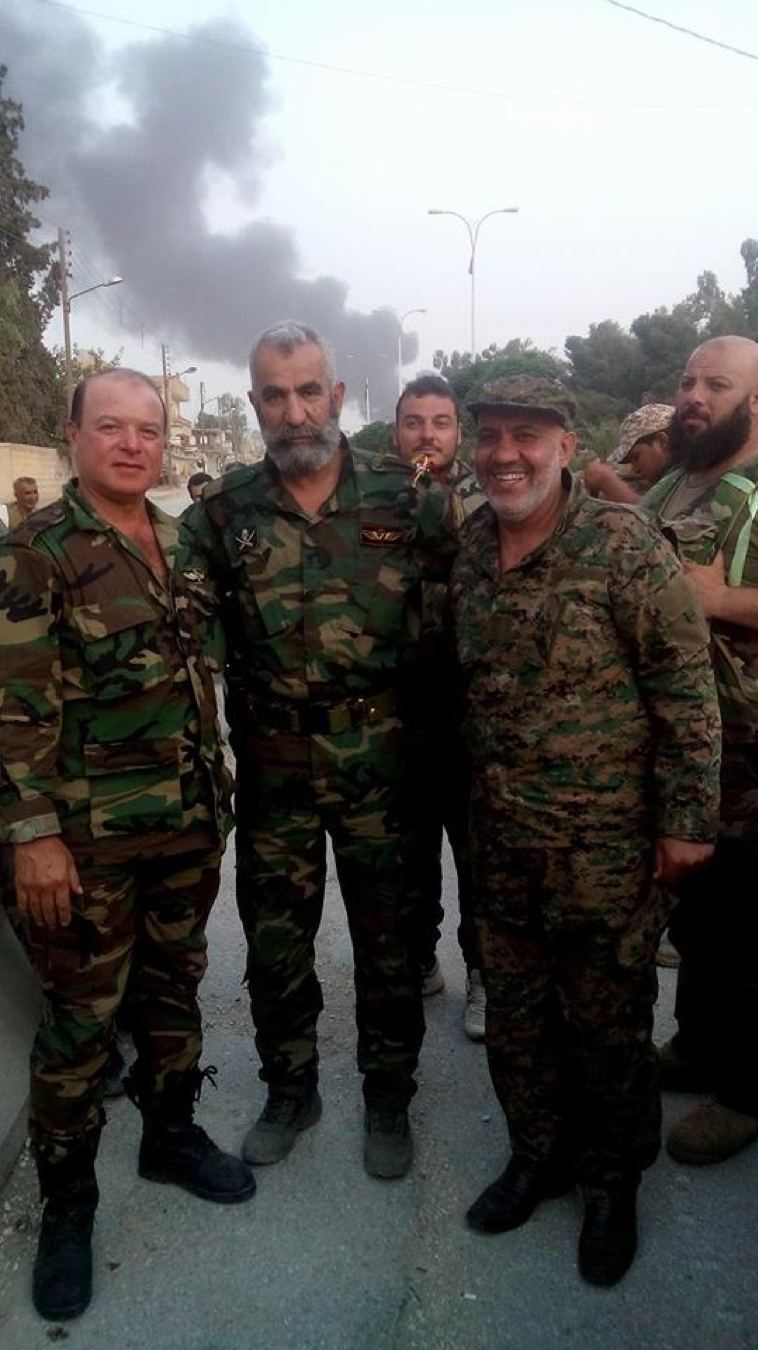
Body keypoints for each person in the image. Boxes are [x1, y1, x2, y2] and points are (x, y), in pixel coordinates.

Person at [450, 374, 720, 1286]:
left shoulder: (623, 545)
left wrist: (688, 822)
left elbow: (686, 687)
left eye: (528, 435)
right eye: (491, 436)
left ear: (567, 445)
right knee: (520, 1023)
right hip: (502, 845)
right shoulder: (472, 545)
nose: (506, 454)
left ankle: (612, 1183)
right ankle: (539, 1155)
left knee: (608, 1024)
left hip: (604, 851)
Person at [0, 369, 255, 1324]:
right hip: (87, 845)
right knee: (79, 1022)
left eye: (148, 429)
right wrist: (32, 839)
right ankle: (69, 1209)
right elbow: (13, 710)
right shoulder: (36, 553)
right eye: (111, 427)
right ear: (71, 434)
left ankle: (171, 1135)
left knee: (173, 986)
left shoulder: (179, 540)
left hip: (185, 823)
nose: (132, 444)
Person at [180, 321, 458, 1180]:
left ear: (336, 397)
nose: (294, 411)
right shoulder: (222, 513)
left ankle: (387, 1096)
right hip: (275, 769)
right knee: (273, 943)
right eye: (275, 394)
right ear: (255, 404)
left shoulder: (410, 500)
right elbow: (182, 636)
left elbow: (469, 616)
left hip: (384, 767)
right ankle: (291, 1090)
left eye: (309, 391)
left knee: (389, 939)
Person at [643, 335, 758, 1165]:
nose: (694, 396)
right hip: (691, 745)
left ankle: (750, 1090)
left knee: (754, 924)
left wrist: (723, 599)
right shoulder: (682, 480)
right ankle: (699, 1046)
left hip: (754, 748)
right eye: (688, 381)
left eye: (717, 384)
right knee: (704, 913)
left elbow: (702, 593)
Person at [392, 373, 487, 1037]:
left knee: (479, 852)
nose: (428, 435)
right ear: (397, 430)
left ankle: (484, 973)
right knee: (408, 849)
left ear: (458, 432)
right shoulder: (372, 498)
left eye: (441, 422)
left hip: (472, 709)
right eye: (415, 422)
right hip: (397, 709)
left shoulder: (492, 497)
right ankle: (419, 960)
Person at [583, 404, 674, 505]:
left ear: (662, 442)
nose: (635, 469)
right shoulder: (663, 480)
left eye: (636, 457)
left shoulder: (687, 477)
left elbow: (655, 517)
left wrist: (608, 483)